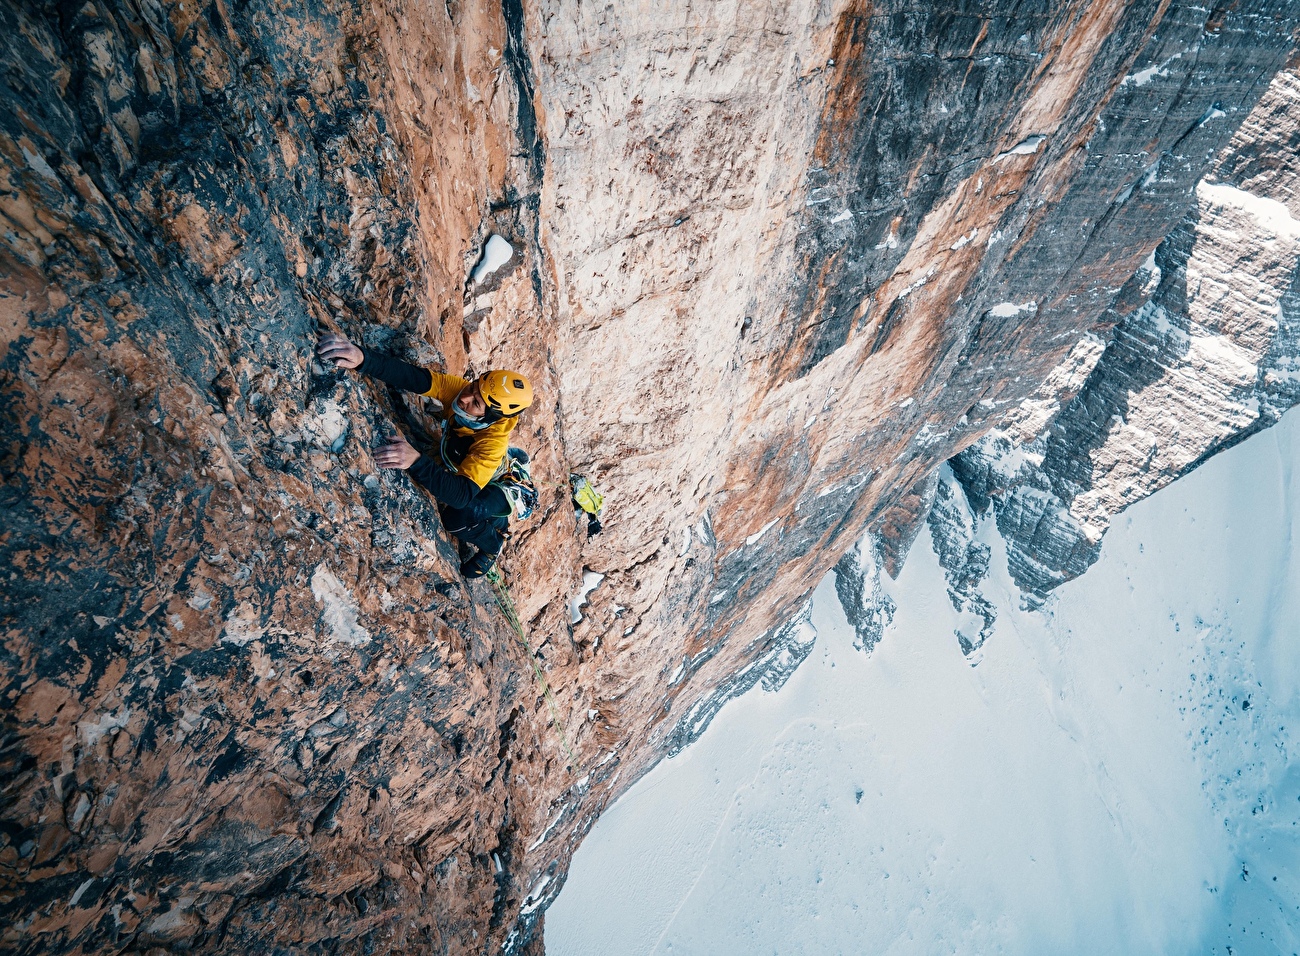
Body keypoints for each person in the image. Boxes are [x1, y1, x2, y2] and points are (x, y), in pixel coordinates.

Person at [316, 331, 534, 578]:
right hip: (474, 474)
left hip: (496, 488)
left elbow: (461, 495)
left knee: (457, 517)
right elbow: (417, 379)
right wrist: (363, 358)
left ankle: (493, 543)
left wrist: (416, 462)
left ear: (492, 417)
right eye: (473, 387)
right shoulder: (463, 393)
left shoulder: (491, 443)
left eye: (476, 403)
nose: (464, 397)